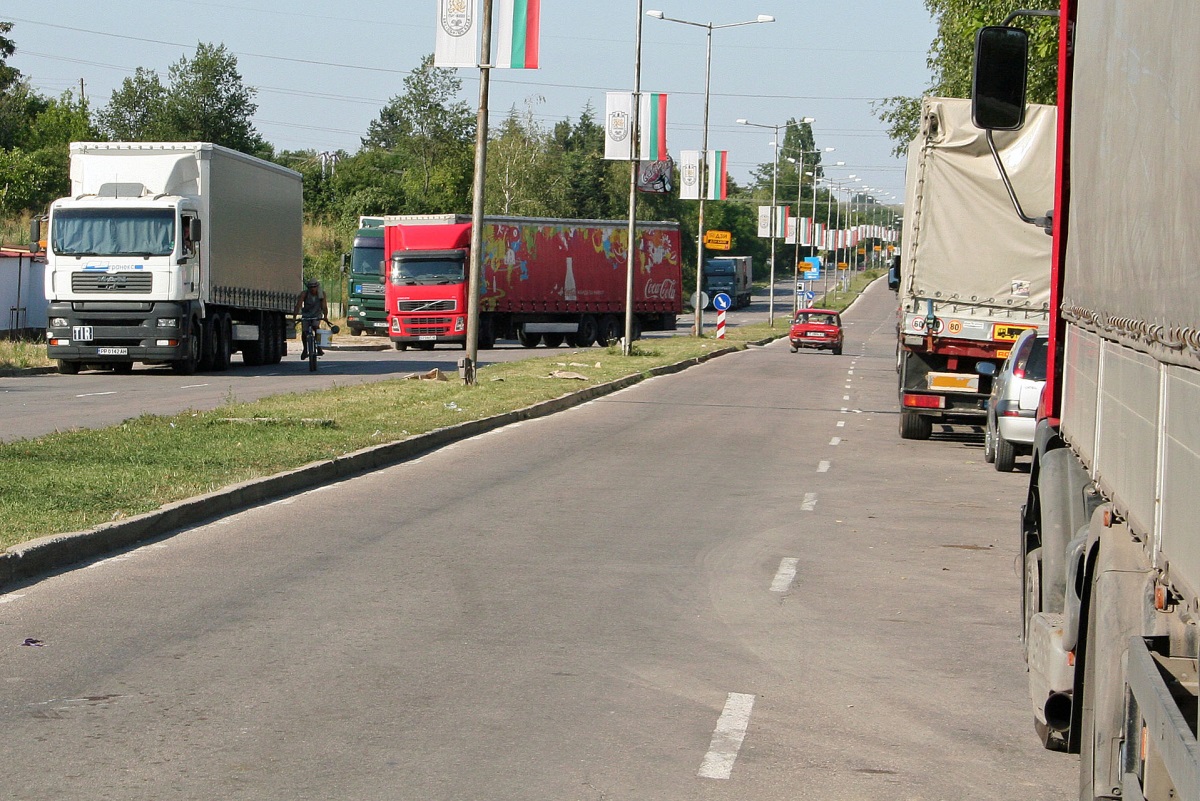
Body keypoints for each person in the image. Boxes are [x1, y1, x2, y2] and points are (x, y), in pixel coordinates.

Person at [294, 278, 330, 359]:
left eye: (314, 287)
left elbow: (324, 306)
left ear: (317, 287)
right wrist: (294, 317)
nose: (312, 289)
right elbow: (298, 305)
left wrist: (325, 317)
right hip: (306, 315)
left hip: (316, 315)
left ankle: (319, 347)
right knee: (304, 331)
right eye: (310, 287)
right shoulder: (304, 294)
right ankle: (305, 349)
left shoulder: (321, 294)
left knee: (316, 328)